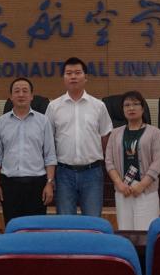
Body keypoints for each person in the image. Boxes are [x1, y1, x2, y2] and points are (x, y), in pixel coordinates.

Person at [46, 57, 113, 216]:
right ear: (64, 78)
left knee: (92, 221)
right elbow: (48, 142)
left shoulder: (98, 106)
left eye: (77, 73)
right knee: (65, 222)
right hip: (64, 173)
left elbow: (105, 137)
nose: (73, 77)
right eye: (69, 73)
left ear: (85, 77)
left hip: (92, 172)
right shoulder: (54, 107)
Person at [0, 77, 56, 224]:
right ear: (10, 96)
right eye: (17, 91)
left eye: (25, 91)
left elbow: (50, 156)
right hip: (10, 185)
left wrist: (49, 183)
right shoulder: (1, 122)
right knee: (12, 227)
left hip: (37, 185)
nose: (21, 94)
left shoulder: (43, 121)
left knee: (35, 229)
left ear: (32, 96)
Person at [104, 91, 160, 230]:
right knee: (125, 231)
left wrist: (142, 185)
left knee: (145, 231)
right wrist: (119, 184)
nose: (131, 108)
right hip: (123, 190)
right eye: (127, 105)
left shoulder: (154, 132)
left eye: (135, 104)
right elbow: (109, 161)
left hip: (146, 190)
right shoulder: (115, 133)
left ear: (143, 108)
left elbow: (158, 161)